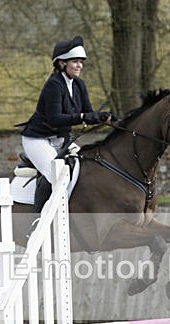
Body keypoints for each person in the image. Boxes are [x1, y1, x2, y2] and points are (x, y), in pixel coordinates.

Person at [20, 35, 111, 210]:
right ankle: (38, 220)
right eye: (75, 62)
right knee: (54, 173)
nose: (79, 66)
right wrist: (84, 117)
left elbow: (88, 113)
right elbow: (56, 118)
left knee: (86, 166)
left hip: (61, 140)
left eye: (81, 62)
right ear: (62, 63)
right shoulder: (53, 85)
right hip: (38, 139)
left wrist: (103, 117)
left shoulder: (78, 85)